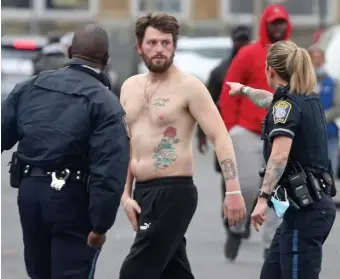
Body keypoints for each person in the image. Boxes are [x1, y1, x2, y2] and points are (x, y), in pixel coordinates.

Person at [118, 12, 246, 279]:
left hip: (174, 192)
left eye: (166, 43)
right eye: (152, 43)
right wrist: (126, 194)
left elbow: (221, 137)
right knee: (173, 272)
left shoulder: (189, 87)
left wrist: (233, 191)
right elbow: (128, 144)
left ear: (174, 45)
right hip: (143, 193)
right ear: (139, 47)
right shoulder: (129, 87)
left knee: (134, 272)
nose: (160, 49)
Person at [1, 23, 130, 279]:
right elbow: (110, 170)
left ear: (70, 51)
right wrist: (100, 224)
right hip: (72, 199)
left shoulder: (29, 88)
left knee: (39, 273)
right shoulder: (105, 103)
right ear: (105, 59)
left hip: (30, 196)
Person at [227, 40, 337, 279]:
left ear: (270, 70)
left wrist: (262, 198)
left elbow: (279, 155)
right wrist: (244, 90)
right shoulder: (306, 99)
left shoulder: (288, 106)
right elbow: (270, 101)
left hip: (305, 213)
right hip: (302, 211)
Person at [219, 3, 292, 260]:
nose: (278, 27)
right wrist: (228, 130)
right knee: (248, 185)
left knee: (279, 191)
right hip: (248, 131)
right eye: (273, 23)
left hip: (283, 133)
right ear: (265, 25)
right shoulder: (249, 53)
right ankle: (237, 229)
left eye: (281, 22)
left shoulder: (294, 54)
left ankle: (271, 244)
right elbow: (230, 91)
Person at [196, 25, 251, 259]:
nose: (241, 44)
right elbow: (206, 105)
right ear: (232, 41)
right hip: (225, 132)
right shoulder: (220, 71)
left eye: (245, 40)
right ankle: (229, 216)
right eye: (238, 40)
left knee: (251, 179)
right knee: (227, 176)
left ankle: (242, 218)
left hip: (251, 130)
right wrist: (201, 134)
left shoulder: (258, 66)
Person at [308, 45, 340, 173]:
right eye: (313, 57)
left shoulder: (333, 82)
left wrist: (321, 117)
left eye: (319, 56)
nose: (317, 60)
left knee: (328, 170)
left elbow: (338, 107)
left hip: (328, 133)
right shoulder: (304, 83)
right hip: (309, 133)